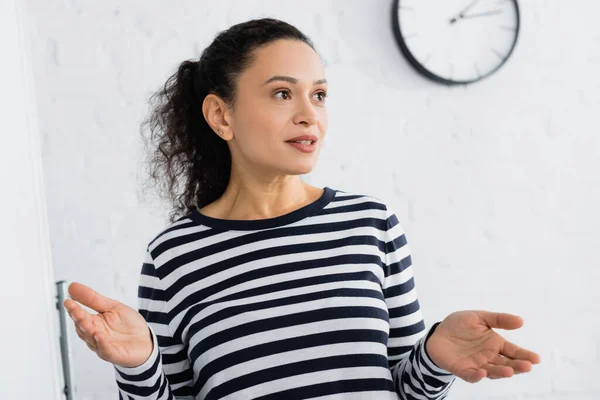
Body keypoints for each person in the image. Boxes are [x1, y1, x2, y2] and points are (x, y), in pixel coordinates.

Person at [62, 17, 541, 400]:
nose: (309, 113)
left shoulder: (371, 225)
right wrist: (139, 366)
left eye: (319, 94)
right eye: (282, 93)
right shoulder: (175, 257)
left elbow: (404, 387)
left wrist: (435, 358)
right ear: (221, 115)